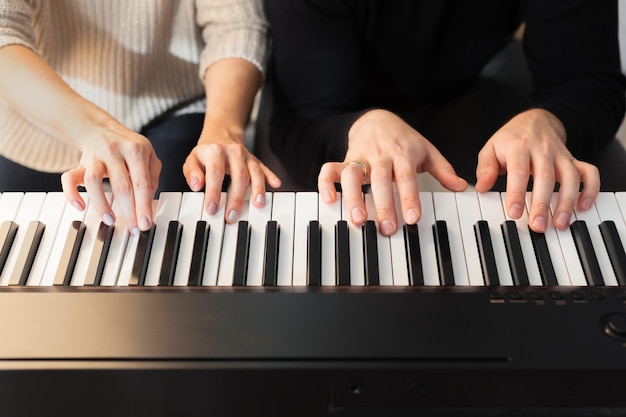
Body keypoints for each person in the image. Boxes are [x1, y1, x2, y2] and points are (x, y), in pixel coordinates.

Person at [265, 0, 626, 236]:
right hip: (337, 109)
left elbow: (589, 77)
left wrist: (549, 120)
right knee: (316, 216)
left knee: (588, 188)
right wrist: (360, 127)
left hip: (468, 86)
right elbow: (303, 114)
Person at [0, 0, 280, 235]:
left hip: (174, 105)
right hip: (37, 115)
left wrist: (224, 130)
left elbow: (235, 25)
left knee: (190, 231)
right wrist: (93, 129)